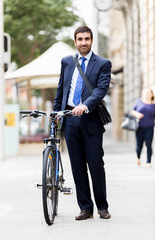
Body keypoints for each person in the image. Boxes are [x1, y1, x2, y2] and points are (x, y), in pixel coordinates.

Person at [53, 26, 111, 220]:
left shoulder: (103, 64)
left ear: (91, 40)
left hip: (91, 120)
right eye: (80, 39)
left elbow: (100, 90)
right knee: (77, 166)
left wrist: (84, 106)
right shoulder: (67, 62)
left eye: (87, 39)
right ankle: (86, 208)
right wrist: (56, 111)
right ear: (75, 41)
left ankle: (102, 206)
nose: (83, 42)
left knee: (95, 165)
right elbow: (61, 89)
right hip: (70, 121)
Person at [131, 88, 155, 168]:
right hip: (139, 127)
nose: (147, 94)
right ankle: (138, 157)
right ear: (143, 93)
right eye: (146, 92)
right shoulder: (139, 101)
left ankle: (148, 162)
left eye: (149, 92)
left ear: (152, 94)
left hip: (149, 127)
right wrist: (137, 114)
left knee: (149, 145)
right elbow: (132, 111)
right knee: (139, 145)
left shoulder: (153, 104)